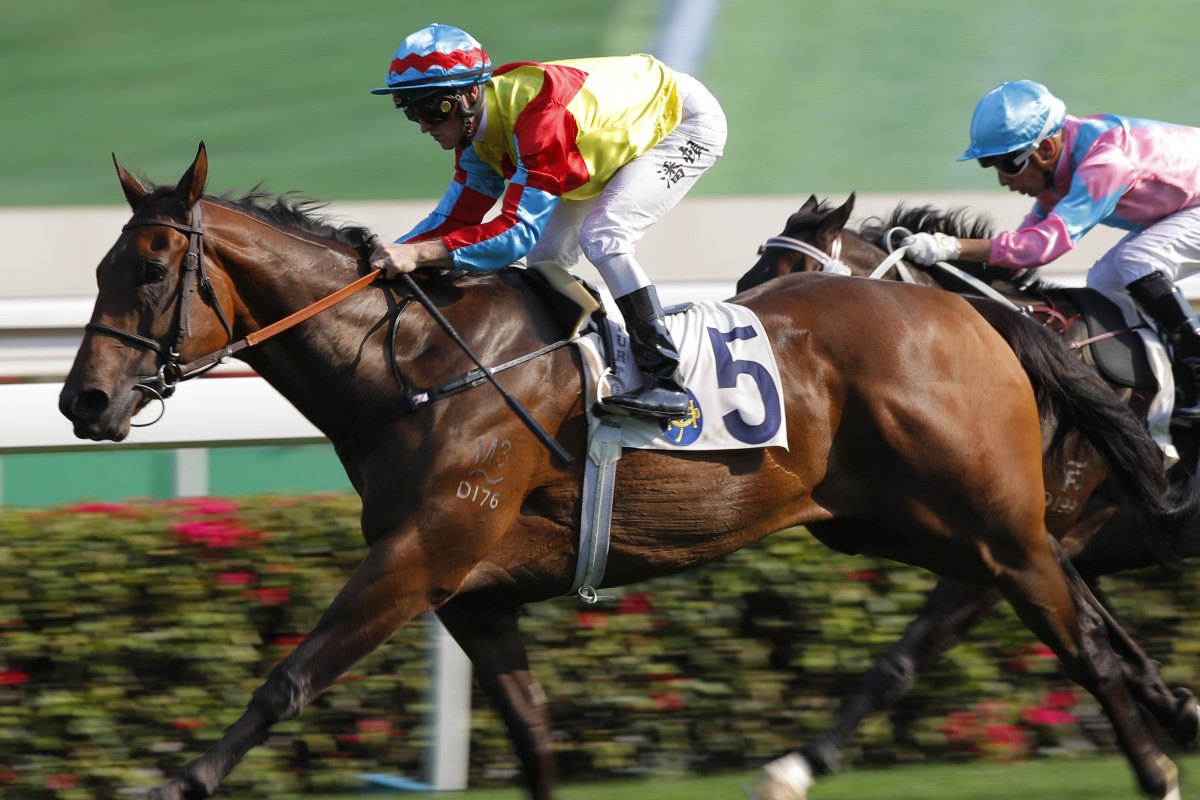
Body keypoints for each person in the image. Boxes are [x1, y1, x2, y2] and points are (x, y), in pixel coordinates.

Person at [367, 23, 728, 419]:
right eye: (411, 112)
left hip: (683, 122)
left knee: (604, 236)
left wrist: (420, 254)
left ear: (470, 94)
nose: (423, 126)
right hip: (604, 134)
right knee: (546, 260)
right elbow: (452, 219)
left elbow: (514, 234)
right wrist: (382, 255)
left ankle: (666, 381)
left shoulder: (539, 119)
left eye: (431, 109)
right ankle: (607, 361)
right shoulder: (478, 134)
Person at [900, 80, 1200, 416]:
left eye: (1008, 165)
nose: (1003, 180)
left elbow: (1042, 247)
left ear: (1045, 149)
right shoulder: (1058, 164)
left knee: (1139, 260)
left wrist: (948, 246)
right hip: (1186, 208)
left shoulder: (1106, 162)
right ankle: (1159, 380)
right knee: (1104, 282)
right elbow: (1023, 244)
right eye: (992, 166)